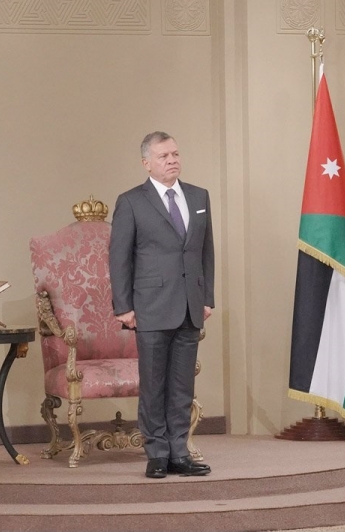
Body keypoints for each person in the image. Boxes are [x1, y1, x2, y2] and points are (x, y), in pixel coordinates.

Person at [109, 131, 214, 479]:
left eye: (175, 154)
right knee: (154, 385)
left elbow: (206, 251)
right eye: (164, 156)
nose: (172, 160)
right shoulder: (131, 202)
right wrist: (123, 307)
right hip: (150, 306)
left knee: (182, 386)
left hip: (190, 305)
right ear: (146, 163)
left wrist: (207, 297)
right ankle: (156, 454)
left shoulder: (199, 196)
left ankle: (179, 453)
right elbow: (119, 258)